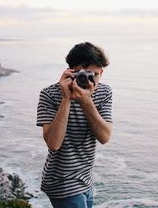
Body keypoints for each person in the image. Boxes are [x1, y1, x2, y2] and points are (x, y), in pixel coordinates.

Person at [36, 41, 113, 208]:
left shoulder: (104, 92)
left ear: (101, 72)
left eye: (94, 75)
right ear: (70, 72)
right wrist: (66, 99)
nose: (88, 81)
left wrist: (86, 102)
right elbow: (53, 143)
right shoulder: (49, 94)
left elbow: (105, 137)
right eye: (81, 74)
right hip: (62, 181)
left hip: (86, 179)